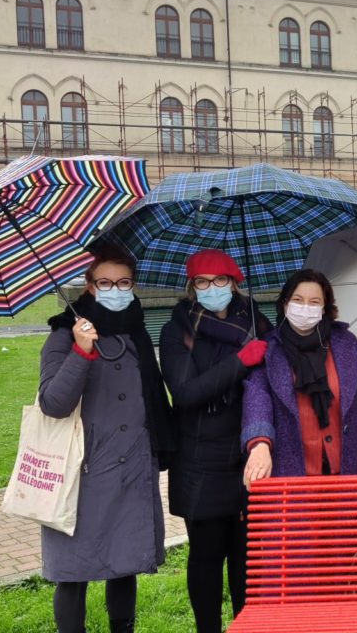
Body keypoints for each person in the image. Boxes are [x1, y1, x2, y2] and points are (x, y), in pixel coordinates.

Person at [38, 244, 174, 633]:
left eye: (124, 282)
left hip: (131, 465)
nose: (115, 289)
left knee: (124, 560)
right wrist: (81, 352)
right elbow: (53, 403)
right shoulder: (64, 334)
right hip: (82, 471)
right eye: (105, 282)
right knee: (73, 571)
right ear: (90, 286)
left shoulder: (135, 331)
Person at [159, 250, 271, 633]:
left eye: (220, 280)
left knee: (247, 560)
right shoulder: (178, 328)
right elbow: (186, 391)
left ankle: (247, 625)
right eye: (202, 283)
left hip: (246, 457)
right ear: (192, 288)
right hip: (199, 461)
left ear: (234, 282)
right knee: (206, 558)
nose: (212, 289)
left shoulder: (255, 319)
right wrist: (241, 360)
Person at [241, 269, 357, 483]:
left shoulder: (347, 345)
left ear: (324, 307)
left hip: (347, 473)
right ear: (285, 303)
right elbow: (257, 399)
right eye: (298, 300)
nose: (305, 308)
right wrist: (259, 444)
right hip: (291, 476)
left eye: (314, 302)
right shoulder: (269, 350)